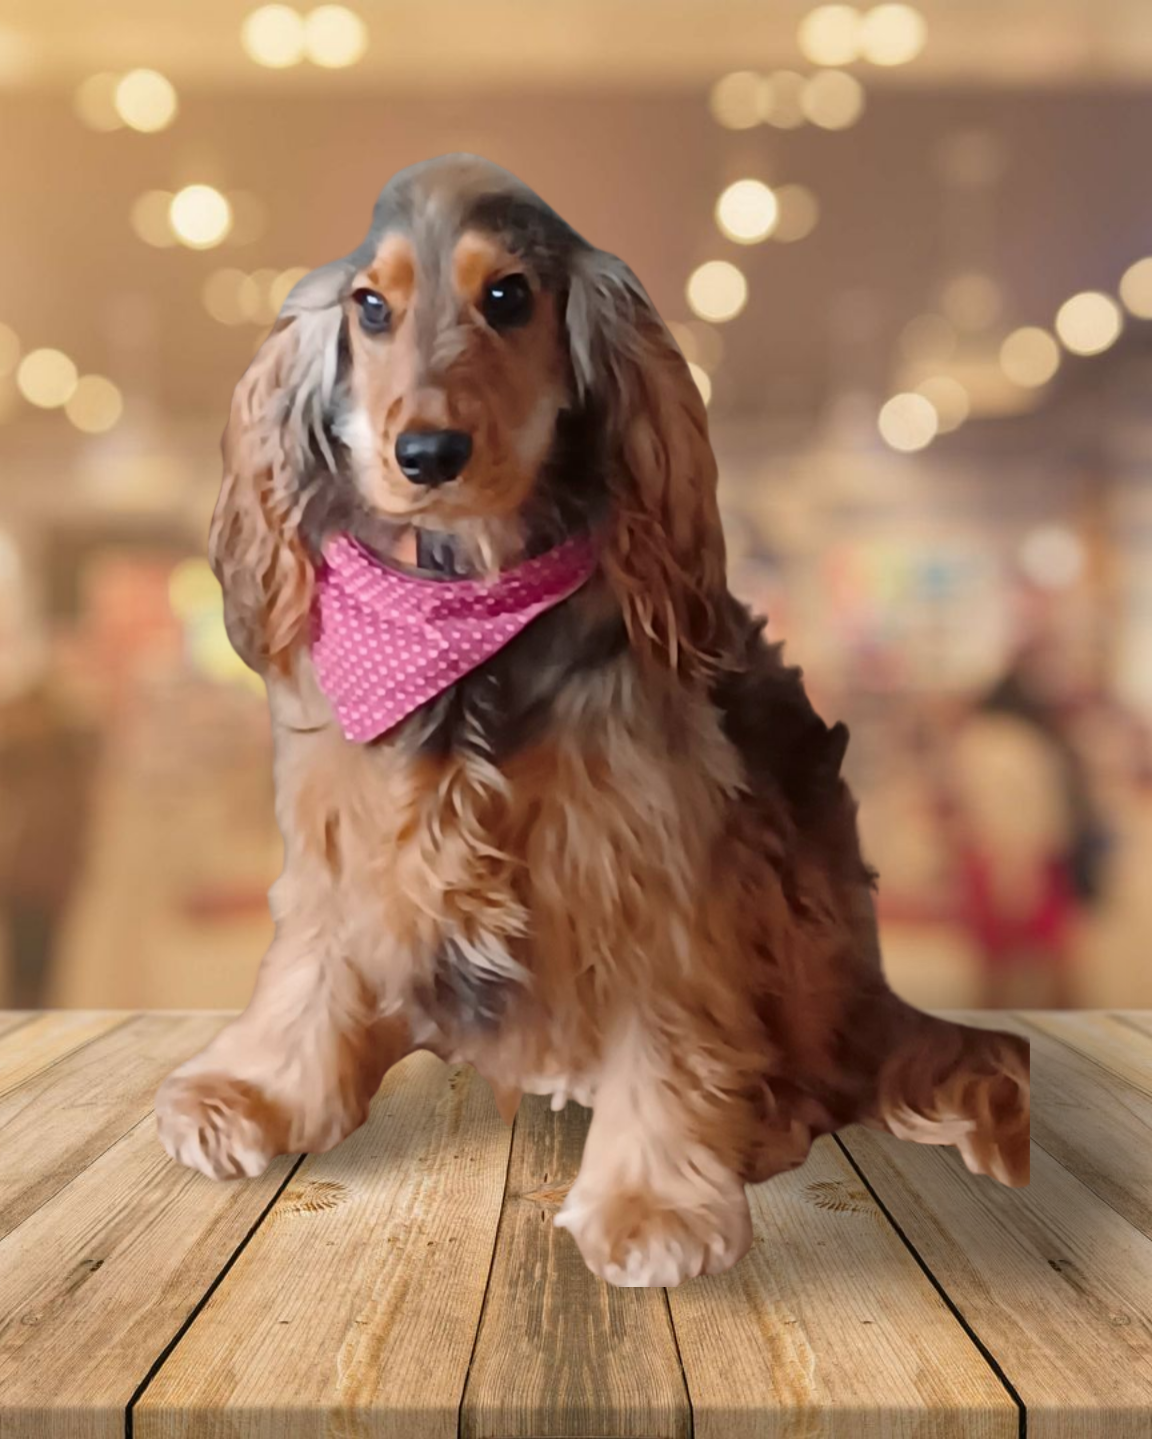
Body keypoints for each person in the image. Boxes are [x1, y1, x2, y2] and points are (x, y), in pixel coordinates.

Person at [943, 642, 1109, 1009]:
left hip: (1009, 859)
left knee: (1010, 966)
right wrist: (1016, 868)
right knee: (1035, 964)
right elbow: (1009, 811)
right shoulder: (1011, 742)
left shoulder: (986, 740)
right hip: (1019, 860)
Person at [0, 679, 96, 1009]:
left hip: (43, 879)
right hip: (38, 879)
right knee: (36, 970)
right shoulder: (53, 761)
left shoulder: (61, 761)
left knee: (40, 971)